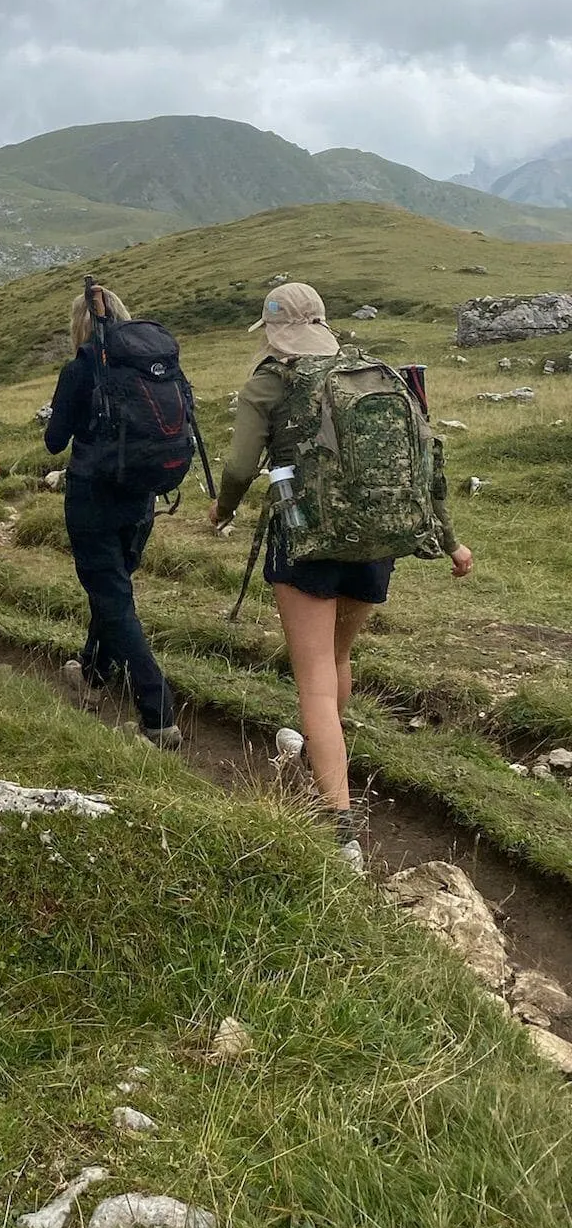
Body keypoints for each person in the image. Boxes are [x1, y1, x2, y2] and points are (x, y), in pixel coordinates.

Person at [208, 281, 472, 866]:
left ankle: (338, 823)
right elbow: (428, 463)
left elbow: (238, 467)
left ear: (274, 331)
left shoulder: (268, 383)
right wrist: (451, 543)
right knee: (339, 660)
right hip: (378, 543)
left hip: (307, 543)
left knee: (314, 683)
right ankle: (330, 759)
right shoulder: (378, 376)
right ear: (323, 325)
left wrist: (223, 511)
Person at [44, 286, 181, 750]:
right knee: (114, 586)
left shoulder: (82, 368)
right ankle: (93, 672)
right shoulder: (151, 368)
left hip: (93, 496)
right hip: (142, 496)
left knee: (114, 597)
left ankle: (157, 709)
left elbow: (54, 441)